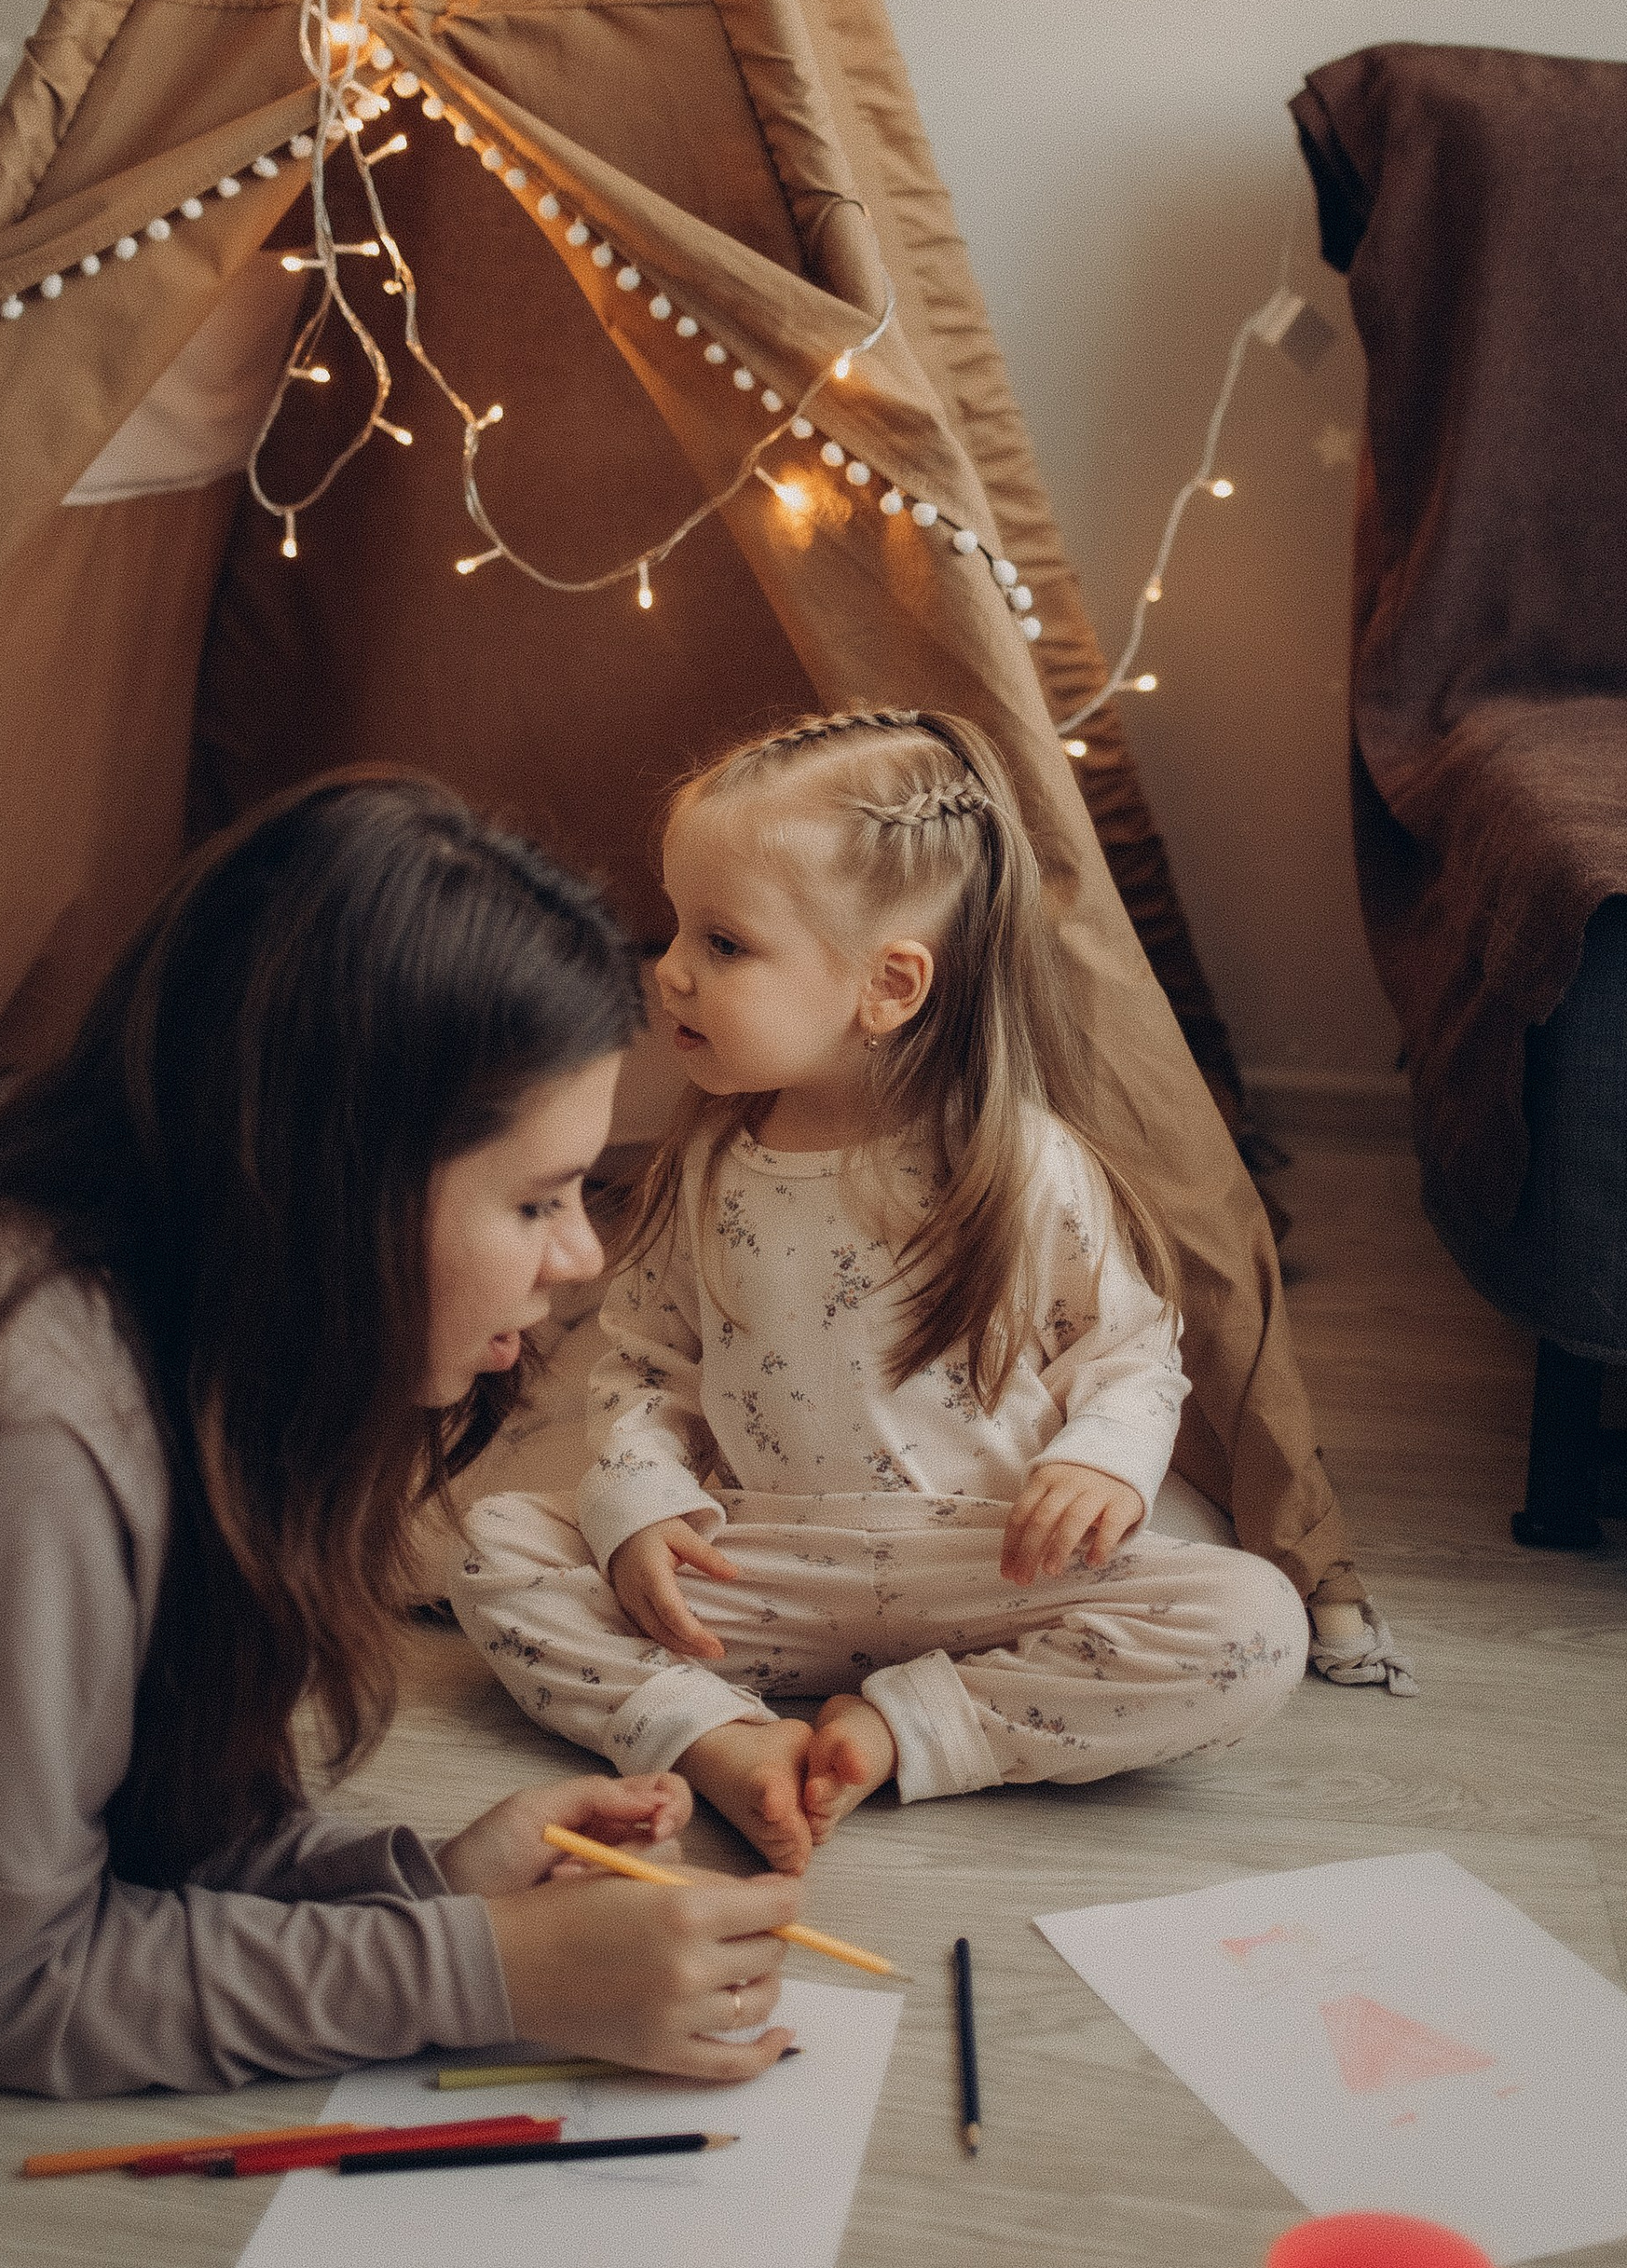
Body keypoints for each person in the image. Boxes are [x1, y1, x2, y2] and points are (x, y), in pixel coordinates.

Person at [0, 778, 801, 2097]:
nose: (581, 1254)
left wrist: (419, 1892)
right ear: (336, 1187)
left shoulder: (138, 1310)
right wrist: (485, 1972)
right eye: (539, 1199)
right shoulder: (29, 1420)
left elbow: (88, 1811)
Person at [449, 708, 1308, 1875]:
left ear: (888, 985)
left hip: (988, 1566)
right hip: (760, 1569)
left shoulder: (1023, 1163)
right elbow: (646, 1369)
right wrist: (644, 1505)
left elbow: (1129, 1354)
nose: (671, 972)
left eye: (724, 943)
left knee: (1254, 1627)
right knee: (495, 1542)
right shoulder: (701, 1167)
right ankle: (717, 1740)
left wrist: (1100, 1458)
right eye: (676, 930)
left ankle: (909, 1727)